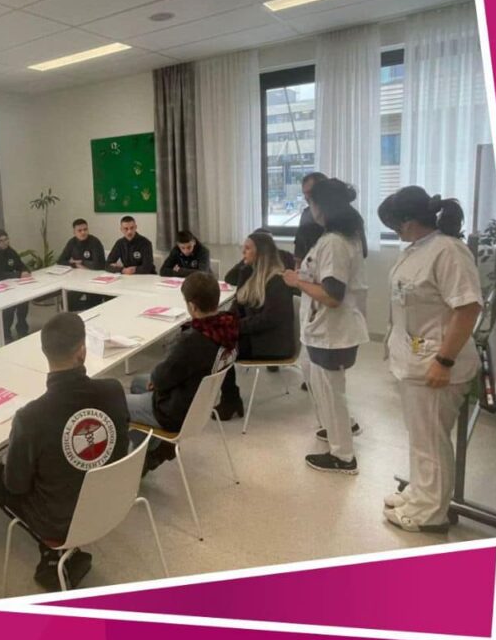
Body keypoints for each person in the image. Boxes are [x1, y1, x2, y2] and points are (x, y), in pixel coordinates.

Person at [0, 313, 130, 591]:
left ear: (44, 353)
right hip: (113, 500)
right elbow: (120, 445)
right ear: (82, 351)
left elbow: (15, 486)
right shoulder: (113, 390)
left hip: (62, 521)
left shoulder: (30, 417)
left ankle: (52, 549)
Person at [377, 187, 483, 532]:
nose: (393, 230)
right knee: (421, 436)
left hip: (436, 364)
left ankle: (430, 514)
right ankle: (421, 492)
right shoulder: (417, 249)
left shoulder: (449, 251)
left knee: (431, 441)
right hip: (415, 360)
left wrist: (444, 361)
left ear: (408, 221)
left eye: (394, 224)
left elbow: (468, 309)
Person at [283, 178, 369, 475]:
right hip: (330, 329)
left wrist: (297, 281)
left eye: (311, 202)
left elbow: (333, 295)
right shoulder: (344, 236)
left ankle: (343, 456)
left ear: (324, 206)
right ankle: (338, 432)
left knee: (332, 393)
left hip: (332, 330)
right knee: (330, 390)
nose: (310, 208)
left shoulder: (333, 242)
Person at [125, 272, 238, 472]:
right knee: (138, 382)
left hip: (174, 411)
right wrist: (157, 379)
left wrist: (157, 379)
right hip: (201, 402)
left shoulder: (192, 341)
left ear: (192, 306)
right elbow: (168, 373)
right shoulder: (227, 327)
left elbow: (162, 377)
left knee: (117, 403)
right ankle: (153, 448)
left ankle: (145, 457)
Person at [216, 232, 298, 420]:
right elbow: (238, 305)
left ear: (261, 252)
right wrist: (223, 321)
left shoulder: (277, 281)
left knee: (218, 347)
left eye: (247, 248)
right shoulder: (250, 274)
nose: (242, 252)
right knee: (213, 336)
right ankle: (229, 397)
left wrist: (235, 327)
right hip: (256, 336)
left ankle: (230, 399)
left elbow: (269, 319)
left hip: (271, 343)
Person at [0, 228, 31, 343]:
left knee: (24, 303)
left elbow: (20, 264)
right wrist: (18, 274)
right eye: (1, 241)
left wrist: (25, 271)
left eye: (6, 239)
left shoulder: (11, 251)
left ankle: (22, 328)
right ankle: (6, 333)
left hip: (15, 285)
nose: (5, 242)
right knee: (9, 309)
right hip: (2, 287)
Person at [56, 218, 108, 310]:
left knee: (95, 303)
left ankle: (91, 310)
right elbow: (61, 261)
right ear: (74, 232)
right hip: (78, 280)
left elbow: (98, 265)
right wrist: (75, 265)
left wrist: (82, 262)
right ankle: (86, 311)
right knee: (66, 303)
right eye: (79, 230)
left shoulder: (94, 242)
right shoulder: (72, 242)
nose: (83, 232)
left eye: (85, 229)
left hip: (95, 280)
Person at [294, 171, 328, 264]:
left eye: (310, 192)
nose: (307, 197)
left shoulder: (342, 216)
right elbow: (299, 253)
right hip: (308, 268)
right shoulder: (306, 215)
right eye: (305, 193)